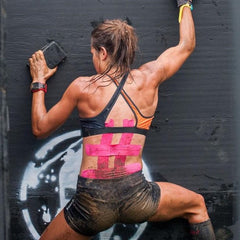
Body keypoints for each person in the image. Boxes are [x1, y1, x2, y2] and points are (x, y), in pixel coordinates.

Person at [29, 1, 216, 239]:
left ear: (103, 53)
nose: (93, 58)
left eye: (93, 53)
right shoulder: (150, 78)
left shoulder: (83, 87)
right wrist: (184, 3)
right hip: (137, 200)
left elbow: (39, 128)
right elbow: (186, 45)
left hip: (91, 208)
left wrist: (38, 82)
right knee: (197, 205)